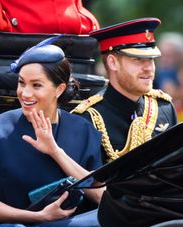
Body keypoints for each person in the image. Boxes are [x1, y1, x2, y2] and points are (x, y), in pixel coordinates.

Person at [0, 36, 104, 227]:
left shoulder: (82, 130)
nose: (25, 93)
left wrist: (55, 152)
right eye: (21, 83)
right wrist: (39, 217)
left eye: (36, 85)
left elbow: (100, 196)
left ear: (59, 89)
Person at [72, 17, 178, 163]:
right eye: (138, 60)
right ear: (112, 62)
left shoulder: (164, 108)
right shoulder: (88, 120)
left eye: (151, 59)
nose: (148, 68)